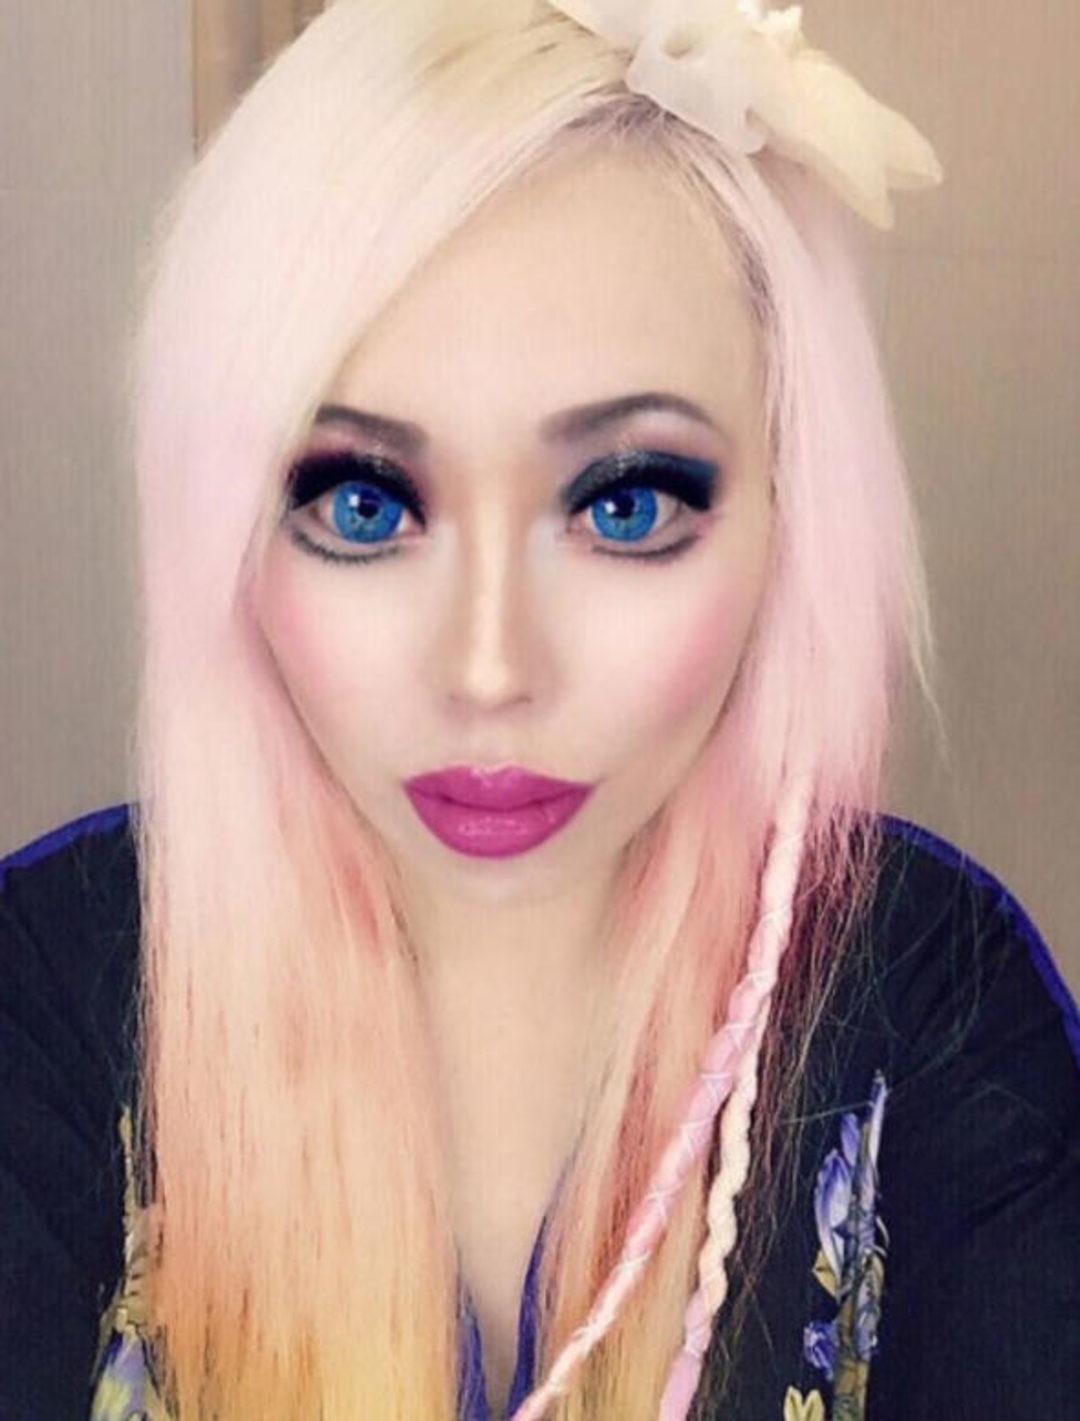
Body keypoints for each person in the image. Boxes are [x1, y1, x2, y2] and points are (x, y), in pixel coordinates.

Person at [1, 2, 1077, 1418]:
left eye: (624, 505)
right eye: (363, 502)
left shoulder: (931, 997)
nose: (489, 669)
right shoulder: (51, 990)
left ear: (793, 517)